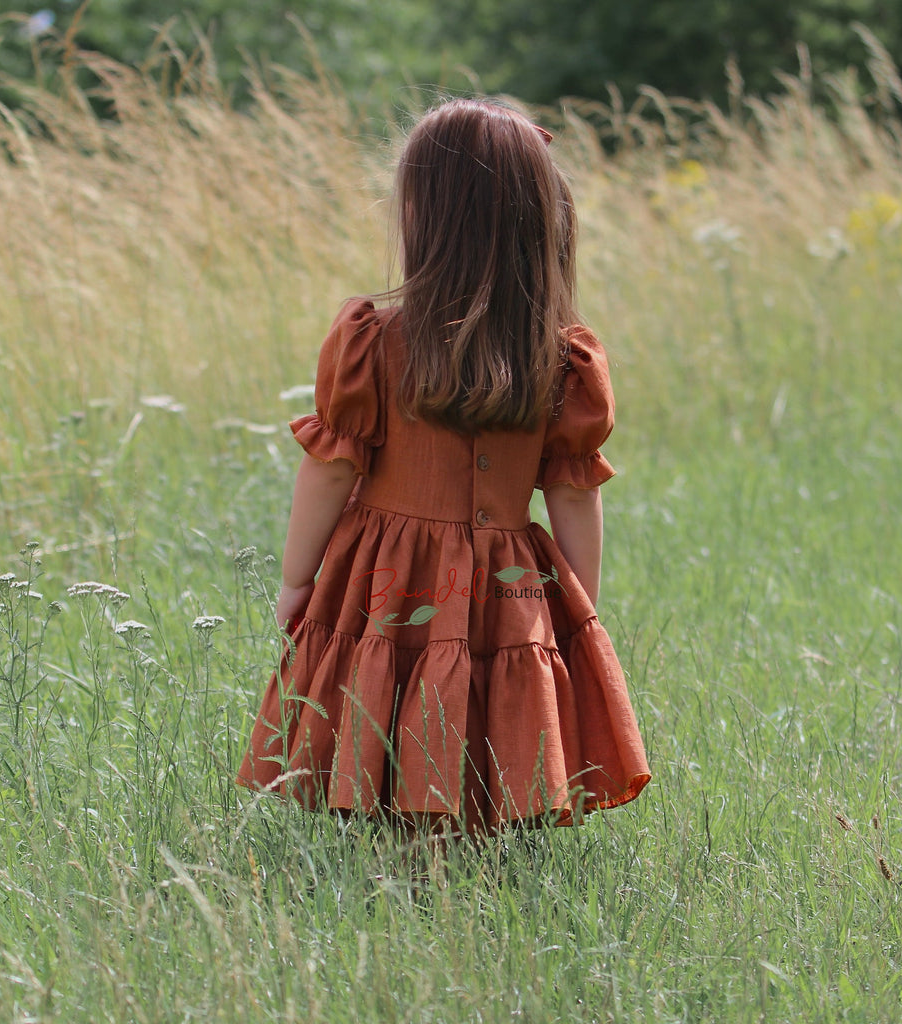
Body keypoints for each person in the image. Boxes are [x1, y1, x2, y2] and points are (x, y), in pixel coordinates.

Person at [236, 98, 650, 833]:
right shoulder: (559, 356)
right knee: (492, 692)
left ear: (425, 215)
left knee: (391, 682)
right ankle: (479, 837)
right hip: (511, 579)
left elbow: (331, 471)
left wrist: (298, 579)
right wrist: (578, 604)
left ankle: (400, 843)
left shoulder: (373, 339)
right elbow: (574, 493)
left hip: (386, 573)